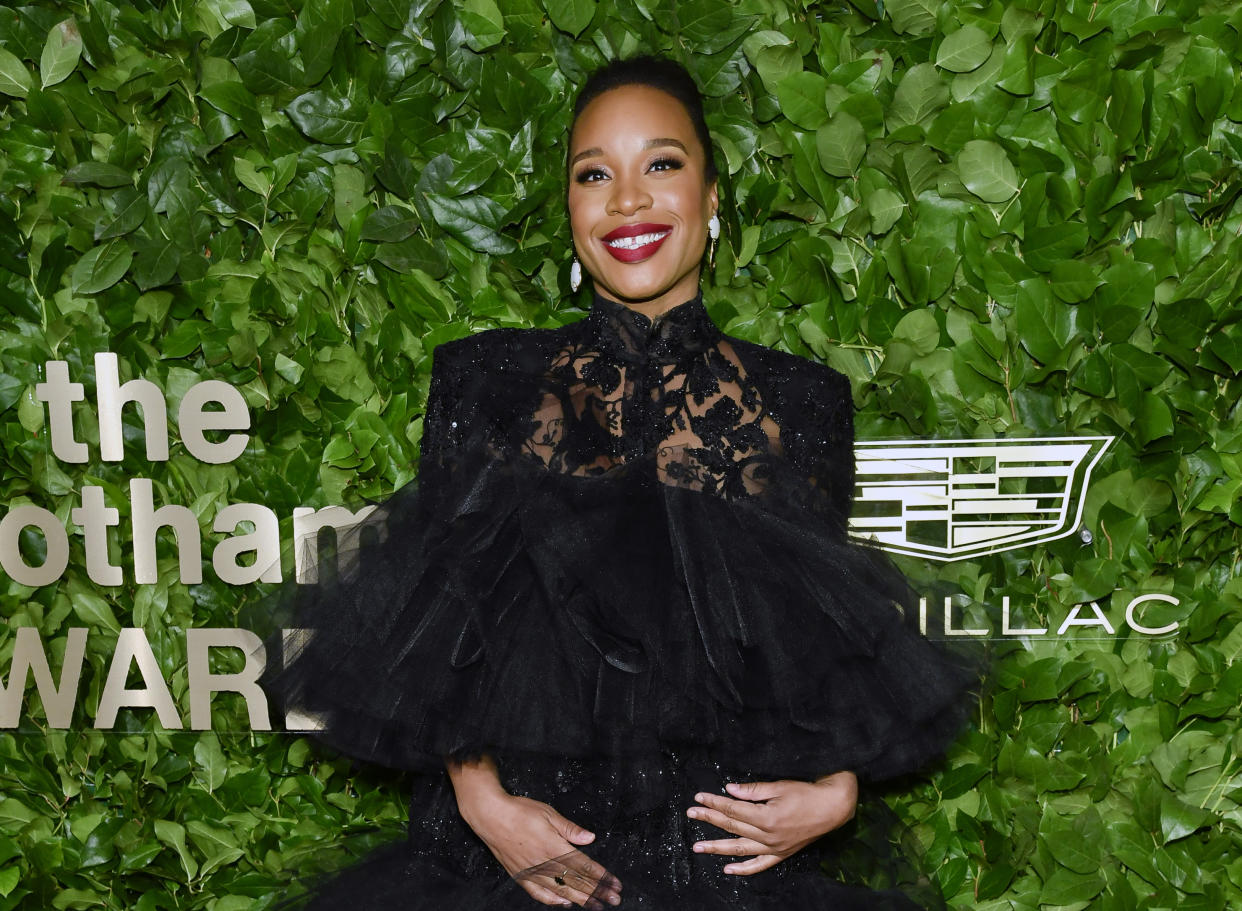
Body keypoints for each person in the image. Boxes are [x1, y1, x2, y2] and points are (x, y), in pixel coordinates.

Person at [257, 54, 978, 911]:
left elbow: (825, 654)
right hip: (515, 864)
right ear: (570, 208)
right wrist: (484, 804)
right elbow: (440, 634)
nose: (627, 199)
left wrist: (838, 791)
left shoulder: (801, 403)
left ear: (713, 198)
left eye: (662, 165)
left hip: (728, 874)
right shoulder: (488, 384)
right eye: (594, 173)